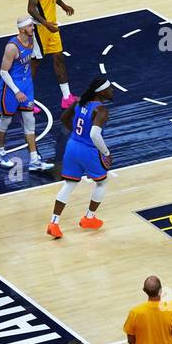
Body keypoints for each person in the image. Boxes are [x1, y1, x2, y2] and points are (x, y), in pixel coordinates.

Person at [47, 77, 113, 238]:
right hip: (88, 150)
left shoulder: (79, 102)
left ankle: (54, 223)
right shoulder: (101, 109)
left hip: (72, 146)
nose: (112, 91)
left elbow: (63, 118)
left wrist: (77, 134)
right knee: (102, 182)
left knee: (69, 184)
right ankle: (89, 218)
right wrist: (106, 153)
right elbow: (94, 134)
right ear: (101, 92)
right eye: (110, 88)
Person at [0, 17, 51, 172]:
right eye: (30, 26)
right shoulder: (12, 47)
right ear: (21, 29)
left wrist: (46, 23)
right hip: (11, 87)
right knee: (6, 120)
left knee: (29, 120)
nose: (33, 28)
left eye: (32, 25)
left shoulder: (31, 40)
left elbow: (37, 23)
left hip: (26, 85)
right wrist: (16, 91)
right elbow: (3, 72)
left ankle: (34, 160)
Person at [27, 0, 76, 108]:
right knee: (34, 65)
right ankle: (26, 101)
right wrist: (45, 23)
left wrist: (63, 5)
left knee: (59, 58)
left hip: (51, 27)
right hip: (40, 29)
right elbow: (30, 8)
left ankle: (67, 97)